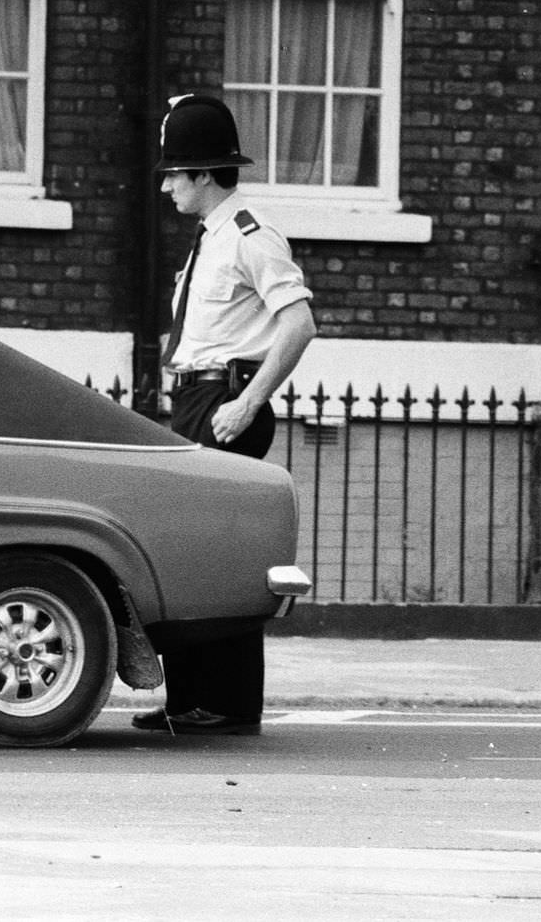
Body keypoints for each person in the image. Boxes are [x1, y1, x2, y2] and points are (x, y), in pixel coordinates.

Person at [135, 91, 317, 737]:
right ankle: (189, 697)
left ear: (204, 174)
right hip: (195, 397)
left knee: (216, 550)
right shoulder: (208, 238)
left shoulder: (248, 235)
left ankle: (229, 702)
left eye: (174, 175)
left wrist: (248, 401)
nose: (167, 188)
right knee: (184, 544)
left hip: (224, 400)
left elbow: (298, 325)